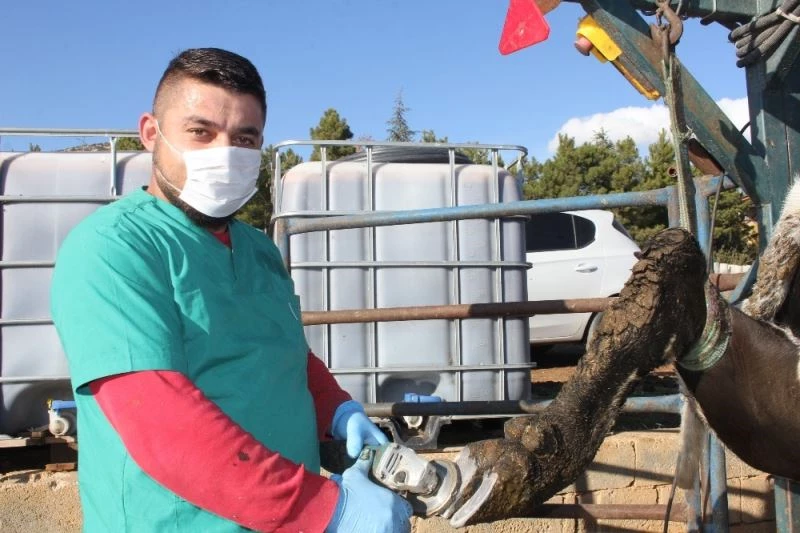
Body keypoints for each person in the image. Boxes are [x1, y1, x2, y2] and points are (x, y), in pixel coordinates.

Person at [51, 47, 413, 533]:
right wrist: (326, 511)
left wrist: (337, 410)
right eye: (201, 132)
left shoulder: (258, 249)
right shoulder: (112, 248)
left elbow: (287, 354)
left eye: (245, 138)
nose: (225, 154)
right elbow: (161, 424)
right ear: (151, 133)